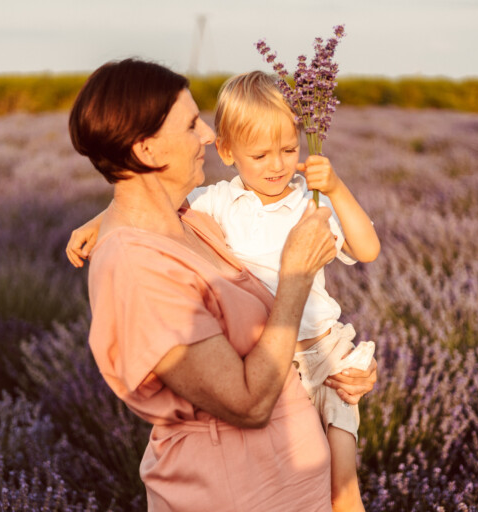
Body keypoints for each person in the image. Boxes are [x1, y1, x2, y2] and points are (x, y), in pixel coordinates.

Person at [67, 59, 377, 512]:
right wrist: (295, 276)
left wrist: (335, 371)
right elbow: (248, 402)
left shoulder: (192, 223)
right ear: (148, 150)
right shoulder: (137, 267)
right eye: (192, 124)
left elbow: (274, 342)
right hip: (235, 495)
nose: (209, 136)